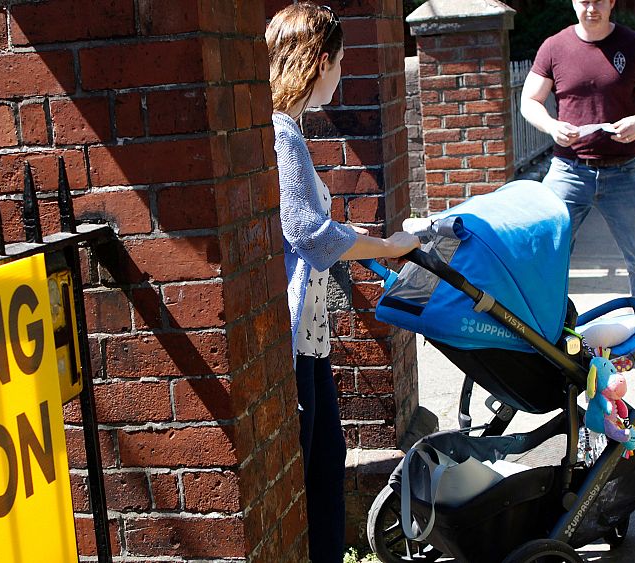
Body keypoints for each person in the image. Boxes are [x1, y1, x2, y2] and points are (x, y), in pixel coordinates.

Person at [265, 4, 421, 560]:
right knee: (311, 470)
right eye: (340, 63)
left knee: (326, 464)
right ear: (321, 61)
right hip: (292, 337)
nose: (342, 75)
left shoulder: (288, 132)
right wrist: (387, 247)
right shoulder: (281, 134)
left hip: (310, 335)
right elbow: (310, 233)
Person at [520, 0, 635, 367]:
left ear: (611, 3)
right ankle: (543, 336)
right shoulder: (554, 47)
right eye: (584, 0)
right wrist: (551, 126)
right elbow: (530, 100)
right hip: (568, 171)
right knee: (548, 253)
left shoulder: (634, 43)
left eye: (599, 0)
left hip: (624, 171)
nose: (591, 7)